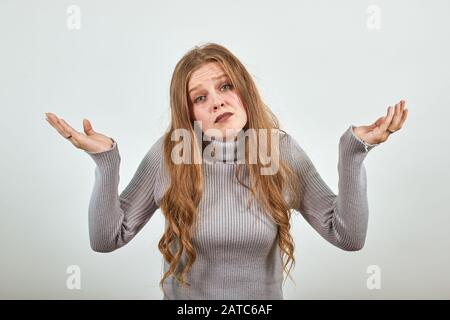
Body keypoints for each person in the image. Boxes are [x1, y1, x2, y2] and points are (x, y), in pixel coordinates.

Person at [45, 42, 408, 300]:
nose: (216, 100)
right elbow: (106, 238)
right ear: (190, 115)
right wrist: (106, 160)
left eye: (225, 86)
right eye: (199, 97)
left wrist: (353, 152)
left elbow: (347, 236)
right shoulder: (171, 155)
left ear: (244, 92)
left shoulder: (279, 151)